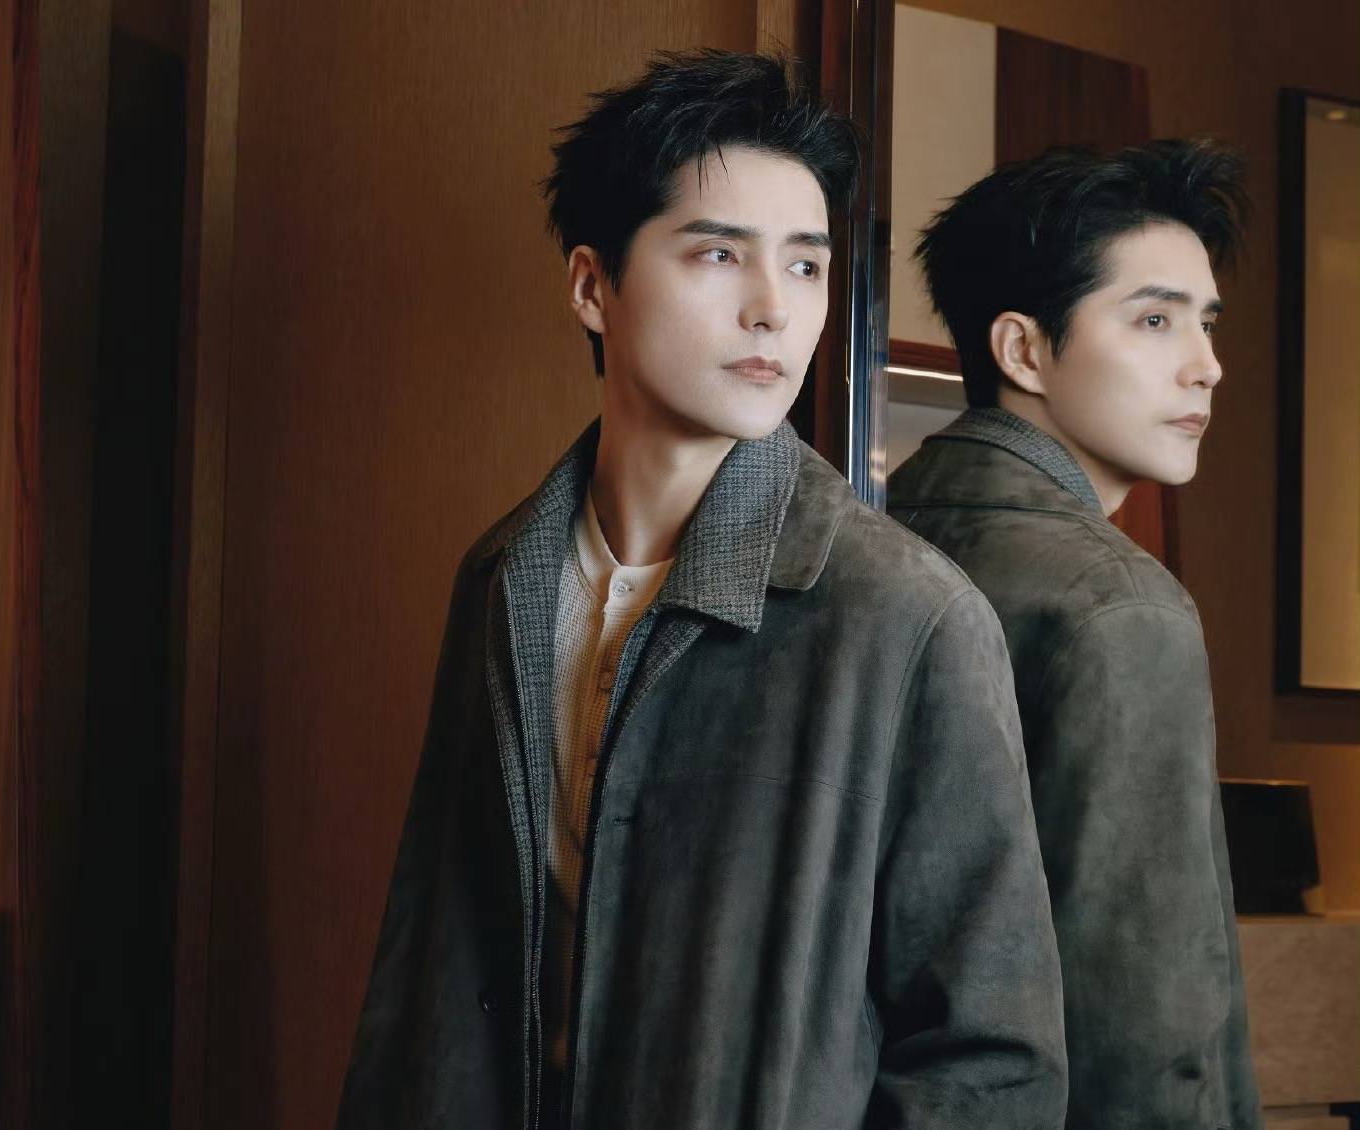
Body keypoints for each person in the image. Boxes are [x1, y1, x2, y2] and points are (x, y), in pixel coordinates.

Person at [338, 50, 1067, 1130]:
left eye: (806, 265)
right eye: (719, 254)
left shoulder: (904, 614)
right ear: (592, 286)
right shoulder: (504, 578)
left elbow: (991, 1059)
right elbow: (428, 967)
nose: (773, 309)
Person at [888, 139, 1260, 1128]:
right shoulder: (1118, 608)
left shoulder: (868, 546)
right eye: (1154, 320)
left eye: (1205, 323)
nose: (1207, 366)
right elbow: (1145, 1032)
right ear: (1022, 350)